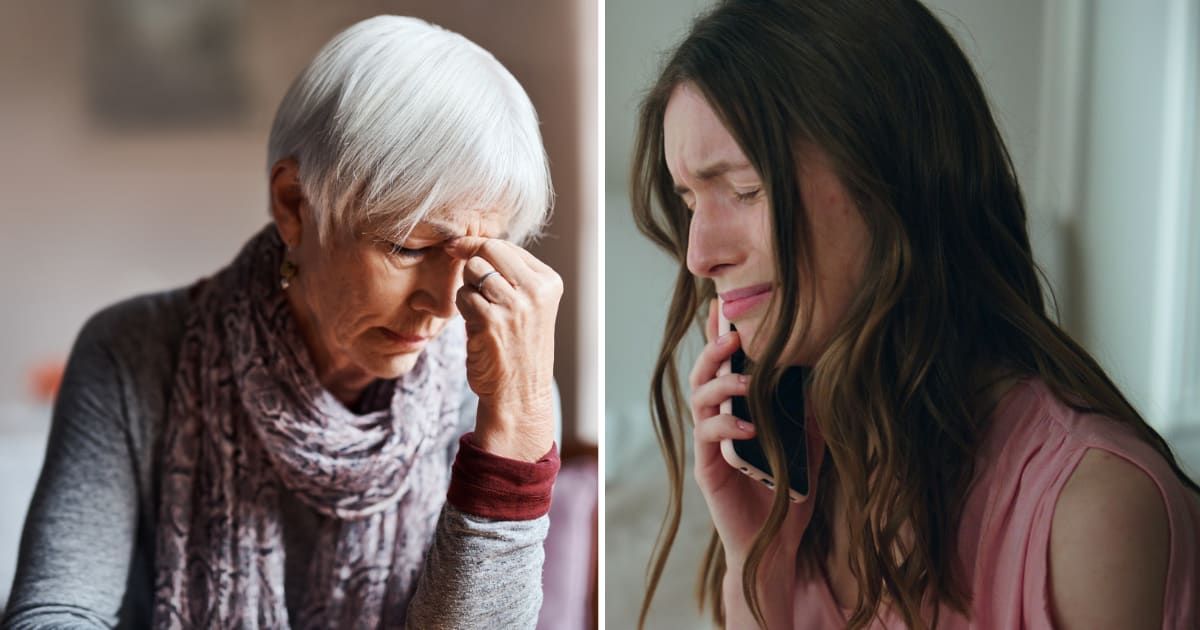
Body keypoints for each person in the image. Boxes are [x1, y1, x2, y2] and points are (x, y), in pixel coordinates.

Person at [630, 1, 1200, 628]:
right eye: (689, 203)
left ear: (887, 178)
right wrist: (756, 564)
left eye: (744, 190)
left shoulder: (1094, 516)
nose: (698, 256)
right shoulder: (796, 488)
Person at [3, 15, 564, 629]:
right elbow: (54, 615)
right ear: (295, 206)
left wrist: (517, 428)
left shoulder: (494, 392)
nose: (443, 302)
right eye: (408, 247)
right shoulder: (131, 354)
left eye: (476, 256)